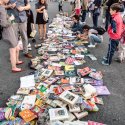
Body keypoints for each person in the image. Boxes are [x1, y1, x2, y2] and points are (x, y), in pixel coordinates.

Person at [0, 0, 23, 72]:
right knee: (12, 49)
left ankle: (16, 61)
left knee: (15, 46)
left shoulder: (2, 7)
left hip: (9, 30)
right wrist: (10, 19)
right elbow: (3, 24)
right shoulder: (1, 8)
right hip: (7, 31)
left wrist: (8, 18)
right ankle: (14, 67)